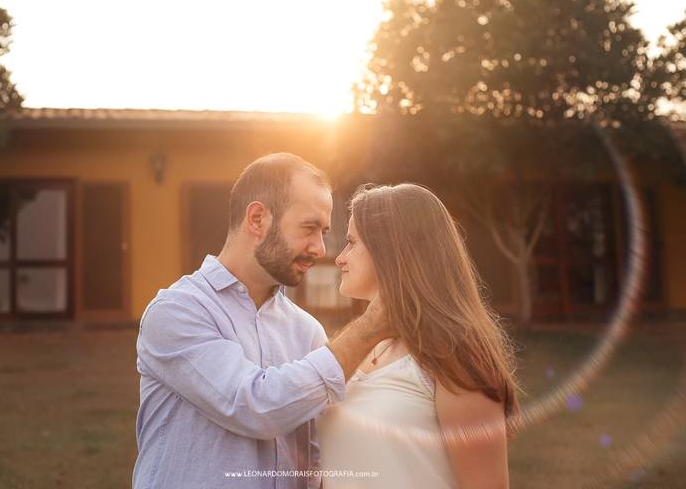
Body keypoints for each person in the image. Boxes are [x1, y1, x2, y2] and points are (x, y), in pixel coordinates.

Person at [132, 153, 393, 489]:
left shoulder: (306, 330)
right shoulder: (176, 311)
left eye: (324, 232)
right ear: (257, 219)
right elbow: (254, 405)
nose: (319, 247)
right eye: (309, 228)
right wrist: (368, 329)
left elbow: (312, 460)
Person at [318, 183, 520, 489]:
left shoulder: (457, 355)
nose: (340, 258)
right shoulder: (364, 347)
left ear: (392, 250)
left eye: (351, 243)